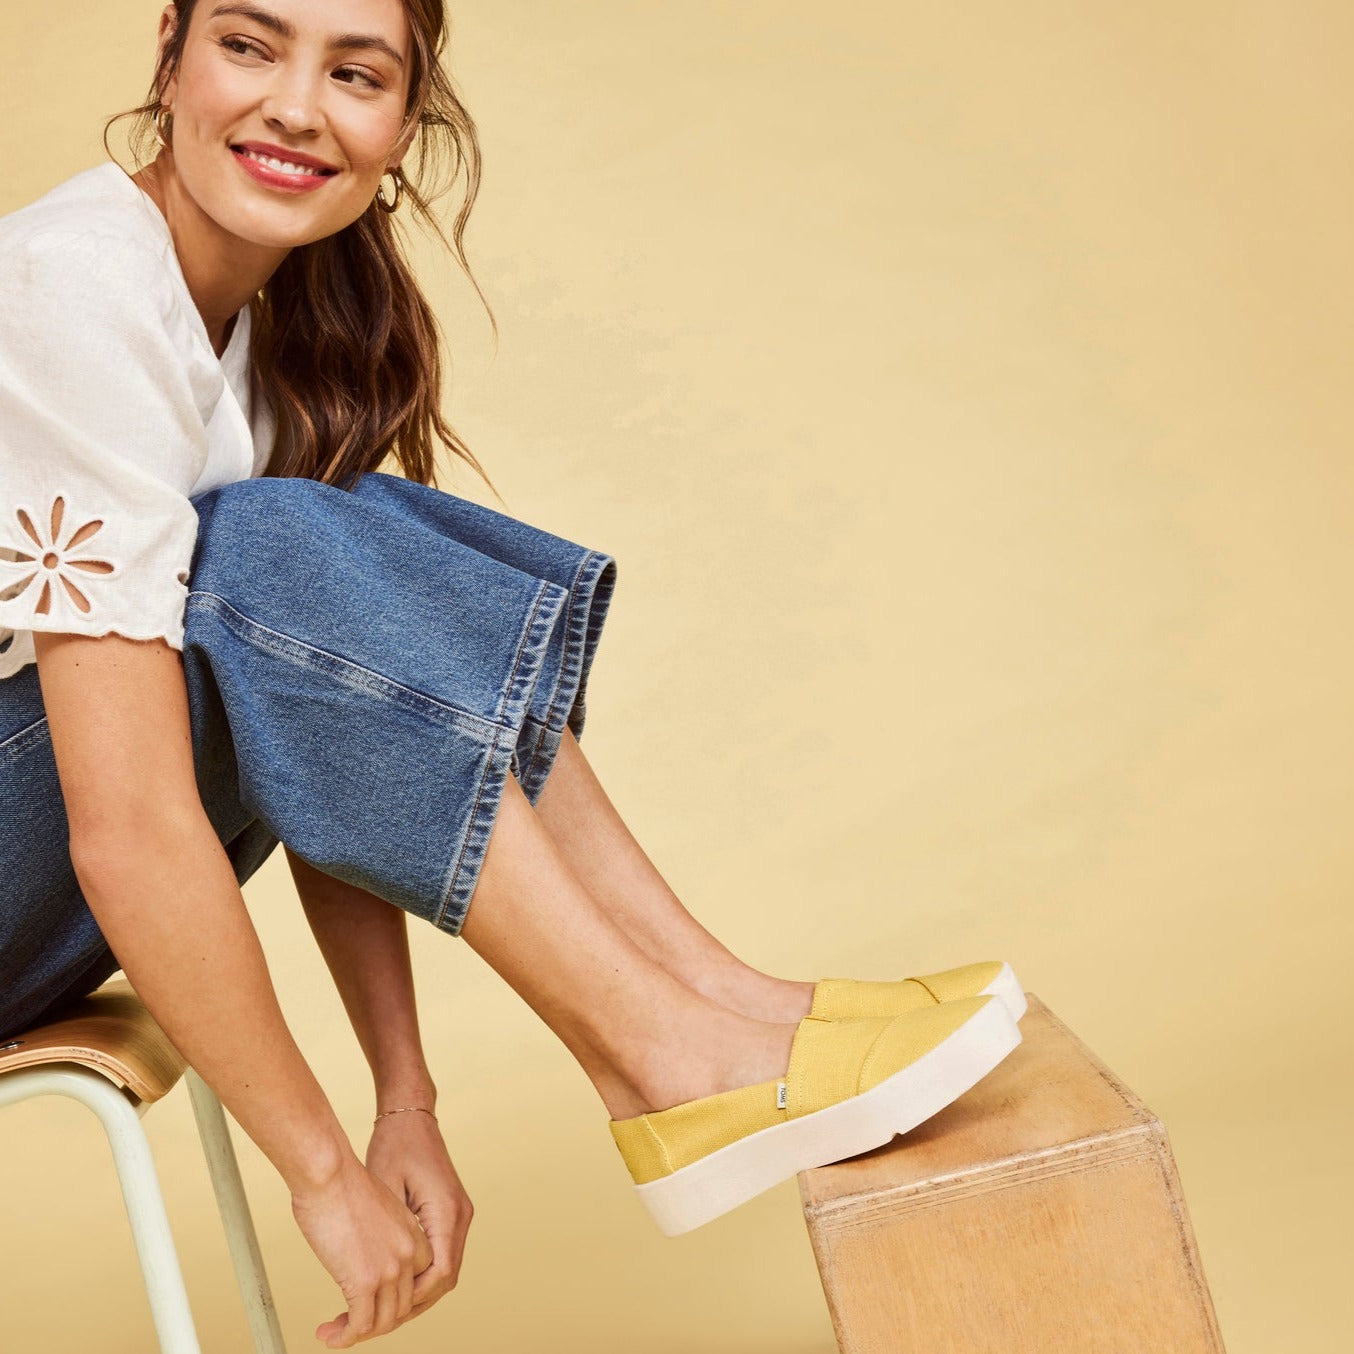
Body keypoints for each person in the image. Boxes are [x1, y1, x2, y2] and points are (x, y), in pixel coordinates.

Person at [0, 1, 1026, 1346]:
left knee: (313, 541)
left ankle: (712, 1005)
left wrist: (402, 1096)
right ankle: (664, 1048)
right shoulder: (74, 282)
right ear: (171, 53)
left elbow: (310, 729)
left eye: (353, 73)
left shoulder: (263, 331)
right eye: (250, 46)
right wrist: (317, 1167)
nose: (297, 107)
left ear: (403, 126)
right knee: (264, 546)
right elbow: (130, 827)